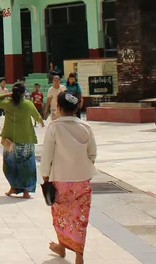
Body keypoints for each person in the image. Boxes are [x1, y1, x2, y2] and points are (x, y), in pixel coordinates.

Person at [43, 91, 97, 264]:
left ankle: (62, 245)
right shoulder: (86, 127)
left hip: (60, 179)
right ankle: (79, 255)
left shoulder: (54, 127)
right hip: (82, 179)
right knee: (80, 217)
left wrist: (45, 175)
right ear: (77, 107)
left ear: (58, 107)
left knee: (61, 215)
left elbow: (47, 155)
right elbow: (92, 154)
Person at [0, 82, 43, 198]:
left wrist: (8, 95)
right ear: (23, 93)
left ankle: (13, 187)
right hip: (26, 139)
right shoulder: (28, 104)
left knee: (10, 164)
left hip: (10, 140)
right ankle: (26, 191)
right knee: (27, 165)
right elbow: (38, 117)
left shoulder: (8, 104)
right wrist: (41, 121)